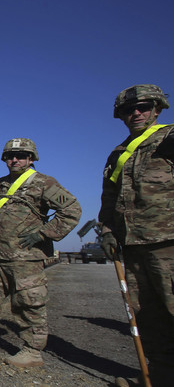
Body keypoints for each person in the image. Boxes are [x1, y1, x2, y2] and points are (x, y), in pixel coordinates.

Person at [0, 138, 81, 367]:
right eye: (10, 156)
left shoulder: (44, 183)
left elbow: (71, 210)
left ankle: (32, 351)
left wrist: (44, 234)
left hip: (25, 258)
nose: (14, 160)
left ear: (31, 158)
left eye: (20, 155)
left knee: (28, 303)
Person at [98, 84, 174, 387]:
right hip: (133, 247)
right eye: (129, 110)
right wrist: (106, 230)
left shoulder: (169, 138)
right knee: (148, 318)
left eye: (144, 107)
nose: (137, 113)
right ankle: (159, 378)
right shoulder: (118, 154)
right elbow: (109, 199)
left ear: (157, 109)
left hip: (169, 243)